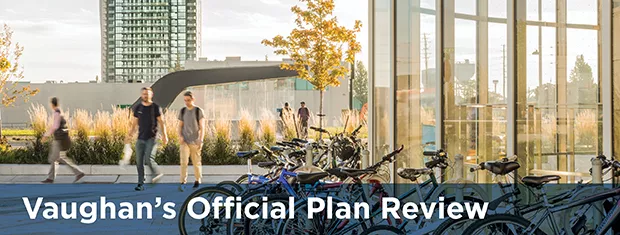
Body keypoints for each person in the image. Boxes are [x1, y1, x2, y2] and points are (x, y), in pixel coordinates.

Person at [126, 87, 167, 191]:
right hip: (140, 138)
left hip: (152, 138)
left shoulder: (155, 107)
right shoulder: (138, 108)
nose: (145, 96)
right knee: (139, 162)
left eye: (147, 94)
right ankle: (140, 183)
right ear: (141, 95)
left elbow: (162, 122)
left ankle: (156, 173)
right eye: (144, 94)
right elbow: (134, 124)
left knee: (149, 159)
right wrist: (129, 135)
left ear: (151, 95)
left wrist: (165, 136)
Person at [41, 97, 85, 183]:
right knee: (58, 158)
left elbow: (55, 126)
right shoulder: (60, 112)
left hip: (59, 139)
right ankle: (51, 178)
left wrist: (46, 135)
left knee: (55, 158)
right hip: (63, 139)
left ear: (52, 104)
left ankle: (77, 172)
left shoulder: (57, 113)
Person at [177, 91, 205, 191]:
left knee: (196, 162)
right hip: (184, 141)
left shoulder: (198, 111)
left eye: (188, 100)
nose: (186, 102)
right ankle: (183, 182)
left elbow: (202, 127)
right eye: (185, 100)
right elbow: (179, 126)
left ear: (193, 99)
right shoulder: (183, 111)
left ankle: (198, 180)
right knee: (183, 162)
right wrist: (180, 136)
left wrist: (201, 140)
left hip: (195, 141)